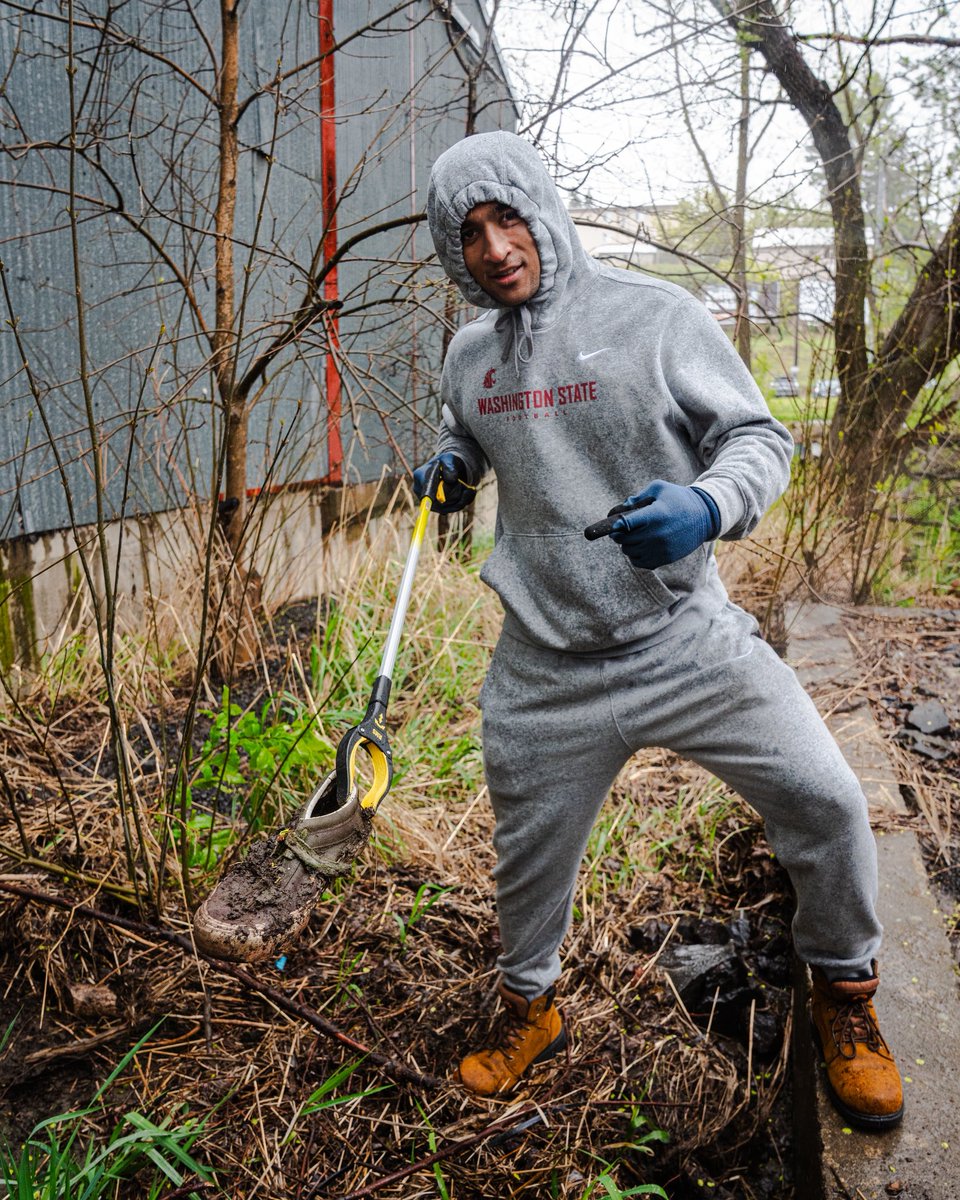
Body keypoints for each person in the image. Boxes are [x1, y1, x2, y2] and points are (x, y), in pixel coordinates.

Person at [412, 130, 903, 1129]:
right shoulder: (469, 355)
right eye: (469, 233)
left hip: (685, 638)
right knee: (526, 858)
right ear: (450, 249)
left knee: (827, 799)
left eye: (508, 217)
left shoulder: (654, 316)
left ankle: (845, 994)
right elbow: (470, 430)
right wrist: (454, 466)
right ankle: (531, 1009)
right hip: (546, 664)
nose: (495, 247)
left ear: (542, 210)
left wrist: (708, 506)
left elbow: (758, 437)